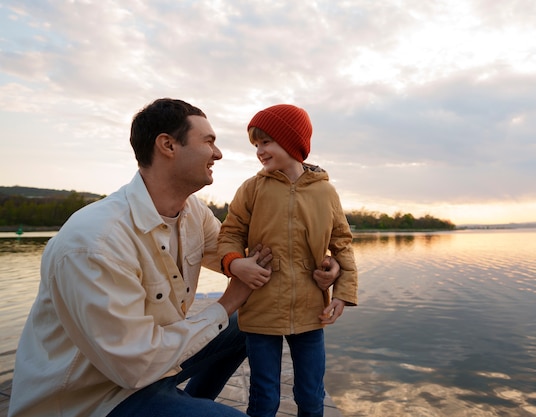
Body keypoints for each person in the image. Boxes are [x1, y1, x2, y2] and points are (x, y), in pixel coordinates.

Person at [8, 98, 340, 417]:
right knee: (231, 316)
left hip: (151, 373)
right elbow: (133, 367)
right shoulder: (94, 243)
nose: (219, 153)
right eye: (208, 141)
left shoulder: (192, 213)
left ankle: (191, 403)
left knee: (244, 324)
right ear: (168, 146)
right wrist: (224, 304)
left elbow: (243, 255)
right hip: (92, 399)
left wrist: (325, 264)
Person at [218, 104, 358, 417]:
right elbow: (229, 235)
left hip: (312, 312)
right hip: (260, 310)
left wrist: (343, 295)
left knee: (310, 396)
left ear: (292, 142)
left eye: (266, 141)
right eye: (256, 144)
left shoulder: (326, 193)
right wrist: (235, 264)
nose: (260, 151)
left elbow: (342, 245)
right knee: (264, 397)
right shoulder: (251, 189)